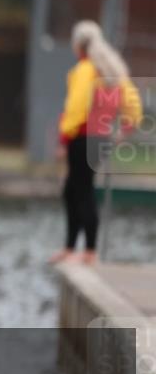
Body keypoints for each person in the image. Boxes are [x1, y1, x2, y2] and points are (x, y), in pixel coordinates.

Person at [49, 20, 142, 266]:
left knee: (78, 191)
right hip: (100, 137)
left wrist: (64, 137)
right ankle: (78, 249)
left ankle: (84, 250)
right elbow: (132, 102)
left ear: (78, 45)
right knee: (78, 189)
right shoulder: (112, 69)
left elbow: (76, 107)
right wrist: (126, 128)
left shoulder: (85, 69)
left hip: (81, 137)